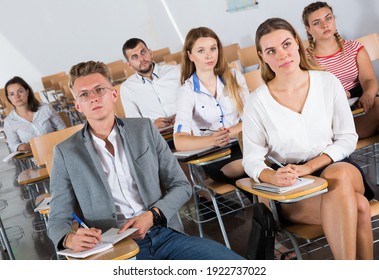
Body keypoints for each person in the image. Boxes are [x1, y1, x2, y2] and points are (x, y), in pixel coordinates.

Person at [47, 60, 244, 260]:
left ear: (114, 94)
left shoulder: (145, 129)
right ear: (77, 106)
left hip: (164, 234)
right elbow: (56, 218)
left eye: (99, 90)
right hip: (115, 249)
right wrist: (69, 239)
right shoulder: (66, 153)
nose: (93, 98)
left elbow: (181, 185)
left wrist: (153, 215)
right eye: (84, 94)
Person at [242, 17, 374, 260]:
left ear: (298, 44)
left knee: (340, 174)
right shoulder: (257, 101)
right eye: (271, 50)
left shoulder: (327, 82)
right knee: (359, 207)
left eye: (286, 44)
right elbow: (251, 159)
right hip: (291, 183)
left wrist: (310, 167)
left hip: (334, 164)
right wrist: (273, 176)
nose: (282, 55)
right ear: (262, 57)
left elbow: (347, 138)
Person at [174, 27, 249, 188]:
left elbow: (252, 119)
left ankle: (265, 210)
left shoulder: (234, 76)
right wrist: (213, 140)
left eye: (213, 49)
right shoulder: (187, 91)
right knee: (252, 164)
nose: (209, 55)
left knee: (264, 158)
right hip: (215, 155)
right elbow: (179, 141)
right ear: (190, 55)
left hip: (245, 144)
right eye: (201, 51)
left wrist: (227, 133)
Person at [302, 1, 379, 139]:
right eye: (316, 23)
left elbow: (369, 79)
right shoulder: (305, 59)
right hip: (331, 118)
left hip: (360, 107)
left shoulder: (354, 48)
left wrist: (368, 94)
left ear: (334, 19)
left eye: (328, 18)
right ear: (308, 29)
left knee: (378, 104)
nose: (325, 25)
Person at [120, 38, 180, 129]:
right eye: (134, 57)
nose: (141, 59)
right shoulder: (127, 88)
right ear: (129, 65)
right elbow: (134, 124)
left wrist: (183, 115)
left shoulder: (176, 71)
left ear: (150, 53)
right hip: (157, 135)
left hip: (186, 125)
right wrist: (153, 125)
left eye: (143, 52)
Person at [3, 76, 66, 152]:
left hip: (58, 149)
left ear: (27, 92)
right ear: (8, 97)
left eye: (20, 91)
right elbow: (13, 145)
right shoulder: (9, 122)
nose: (17, 96)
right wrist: (20, 147)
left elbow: (63, 129)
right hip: (36, 156)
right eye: (12, 94)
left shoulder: (45, 108)